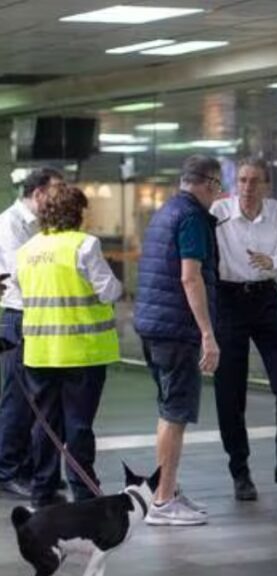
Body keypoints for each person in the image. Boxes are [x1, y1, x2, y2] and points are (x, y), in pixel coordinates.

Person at [209, 158, 277, 502]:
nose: (247, 187)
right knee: (231, 392)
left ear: (266, 186)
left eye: (254, 181)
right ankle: (239, 471)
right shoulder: (217, 212)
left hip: (265, 299)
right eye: (242, 180)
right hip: (228, 301)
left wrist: (273, 261)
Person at [15, 186, 121, 508]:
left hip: (39, 353)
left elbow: (21, 294)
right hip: (81, 352)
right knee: (78, 425)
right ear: (77, 212)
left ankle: (42, 490)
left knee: (45, 425)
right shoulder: (85, 245)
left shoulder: (27, 250)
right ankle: (84, 489)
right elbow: (110, 292)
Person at [134, 155, 222, 527]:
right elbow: (190, 277)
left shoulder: (166, 211)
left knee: (168, 410)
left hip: (154, 325)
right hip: (176, 330)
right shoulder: (192, 218)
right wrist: (207, 333)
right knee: (175, 413)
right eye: (218, 187)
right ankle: (163, 500)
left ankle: (165, 489)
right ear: (209, 183)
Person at [0, 168, 65, 500]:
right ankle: (8, 470)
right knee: (18, 400)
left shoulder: (46, 222)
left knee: (39, 400)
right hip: (20, 317)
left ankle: (32, 468)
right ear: (38, 193)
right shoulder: (10, 223)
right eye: (57, 190)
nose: (62, 196)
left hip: (43, 317)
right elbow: (20, 274)